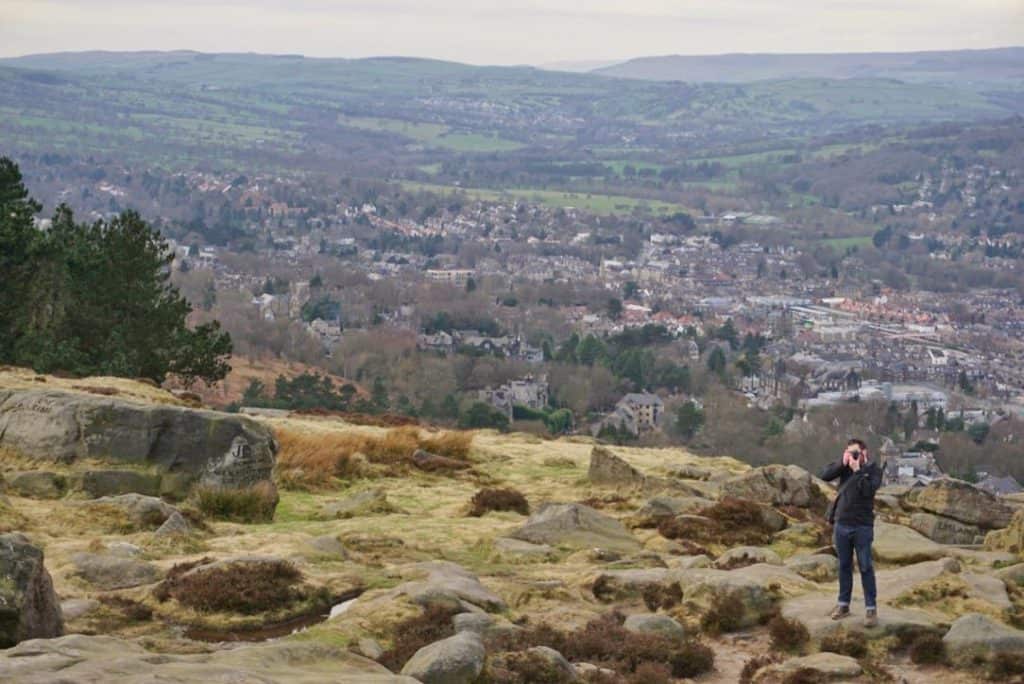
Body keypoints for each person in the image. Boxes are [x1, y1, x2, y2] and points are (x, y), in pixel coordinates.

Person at [820, 438, 882, 627]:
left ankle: (871, 608)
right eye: (850, 452)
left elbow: (869, 491)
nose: (853, 456)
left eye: (856, 453)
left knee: (865, 566)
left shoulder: (873, 470)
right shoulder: (844, 467)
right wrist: (843, 461)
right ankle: (843, 605)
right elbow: (824, 475)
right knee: (844, 566)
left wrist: (858, 470)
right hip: (842, 524)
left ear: (865, 453)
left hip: (862, 526)